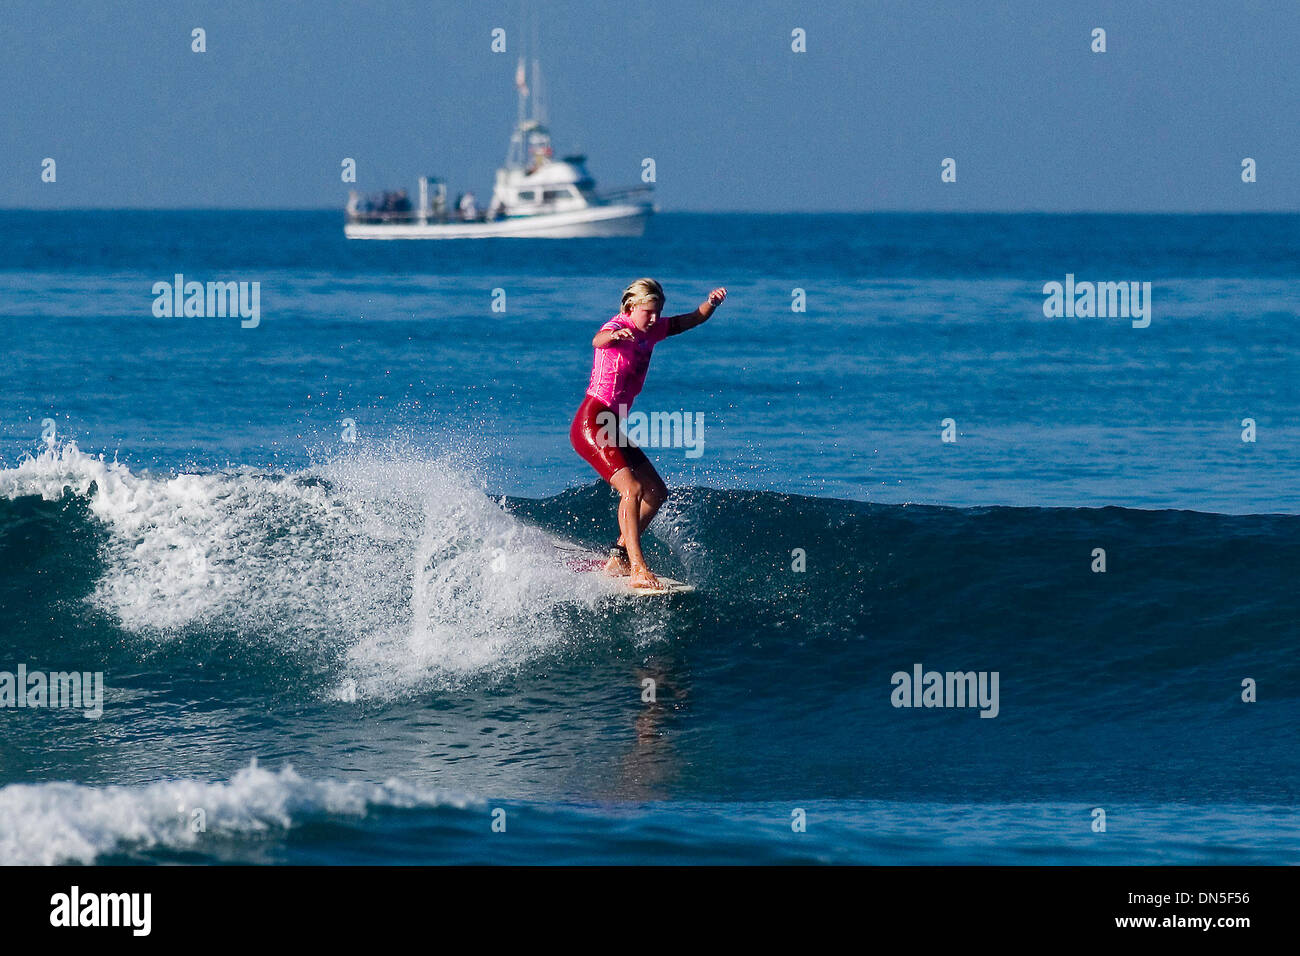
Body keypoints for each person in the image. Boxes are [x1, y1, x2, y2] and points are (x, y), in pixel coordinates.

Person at [570, 278, 727, 589]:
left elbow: (692, 319)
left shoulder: (652, 330)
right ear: (631, 308)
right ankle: (637, 566)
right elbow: (597, 341)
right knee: (632, 489)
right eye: (648, 312)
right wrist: (615, 335)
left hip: (612, 424)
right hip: (591, 422)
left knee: (656, 492)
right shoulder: (617, 325)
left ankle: (618, 556)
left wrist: (711, 303)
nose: (654, 319)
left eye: (658, 312)